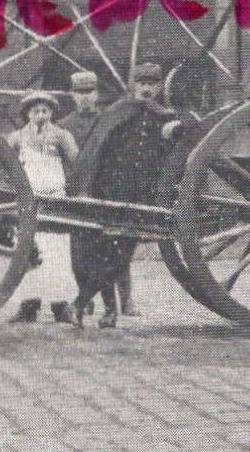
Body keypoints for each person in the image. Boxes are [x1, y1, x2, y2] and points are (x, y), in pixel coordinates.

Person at [71, 62, 182, 328]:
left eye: (152, 84)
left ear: (157, 87)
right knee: (109, 253)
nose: (147, 89)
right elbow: (96, 151)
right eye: (142, 83)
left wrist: (175, 128)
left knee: (121, 255)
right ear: (134, 85)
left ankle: (86, 306)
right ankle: (104, 310)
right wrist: (88, 190)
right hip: (112, 193)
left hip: (142, 195)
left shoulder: (162, 115)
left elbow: (177, 149)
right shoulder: (118, 111)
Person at [56, 69, 138, 318]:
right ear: (72, 95)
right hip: (76, 194)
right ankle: (87, 300)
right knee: (80, 254)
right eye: (80, 93)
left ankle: (126, 301)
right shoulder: (63, 126)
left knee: (114, 249)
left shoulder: (108, 121)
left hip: (105, 192)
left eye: (89, 92)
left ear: (96, 94)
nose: (85, 98)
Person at [6, 91, 79, 325]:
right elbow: (5, 165)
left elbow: (76, 163)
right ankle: (29, 304)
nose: (40, 115)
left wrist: (70, 189)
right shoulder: (16, 138)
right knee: (27, 250)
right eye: (35, 111)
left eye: (45, 111)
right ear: (27, 113)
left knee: (57, 252)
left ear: (51, 113)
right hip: (28, 202)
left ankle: (61, 305)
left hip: (55, 200)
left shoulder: (61, 136)